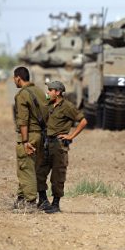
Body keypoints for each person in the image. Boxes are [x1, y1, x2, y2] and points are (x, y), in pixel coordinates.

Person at [36, 81, 87, 213]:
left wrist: (71, 136)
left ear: (57, 92)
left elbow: (83, 121)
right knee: (40, 171)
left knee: (58, 175)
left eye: (50, 90)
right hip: (45, 143)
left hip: (58, 145)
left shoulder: (67, 106)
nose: (48, 92)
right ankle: (43, 200)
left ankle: (55, 204)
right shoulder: (48, 104)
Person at [12, 66, 48, 211]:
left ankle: (31, 202)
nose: (14, 81)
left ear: (18, 78)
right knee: (32, 168)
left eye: (14, 78)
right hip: (41, 135)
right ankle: (21, 199)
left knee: (25, 168)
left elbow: (23, 121)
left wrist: (25, 141)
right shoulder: (40, 92)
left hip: (29, 136)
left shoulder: (22, 95)